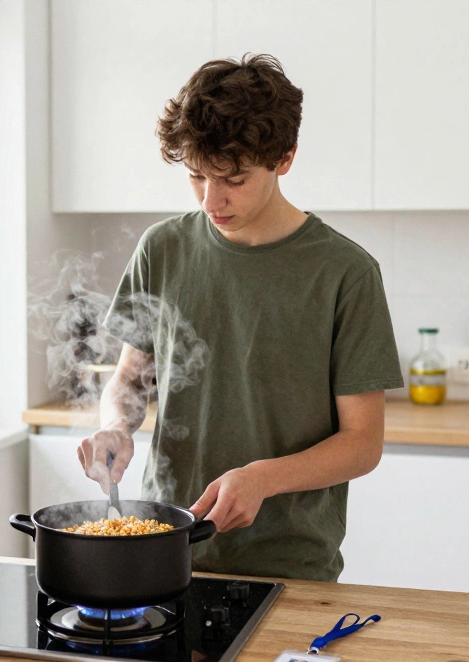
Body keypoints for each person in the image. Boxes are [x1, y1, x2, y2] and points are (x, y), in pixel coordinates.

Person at [76, 54, 403, 582]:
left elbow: (363, 443)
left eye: (232, 178)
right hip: (166, 547)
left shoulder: (346, 272)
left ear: (285, 158)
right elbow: (130, 378)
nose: (212, 199)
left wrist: (263, 479)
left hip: (288, 564)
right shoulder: (162, 248)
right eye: (196, 177)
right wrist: (115, 427)